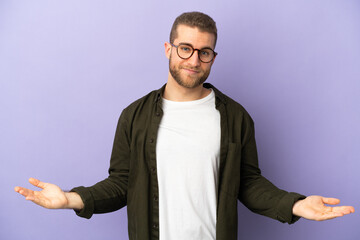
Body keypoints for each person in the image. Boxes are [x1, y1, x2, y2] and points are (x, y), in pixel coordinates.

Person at [14, 11, 354, 240]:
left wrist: (294, 205)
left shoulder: (235, 117)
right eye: (186, 48)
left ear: (213, 58)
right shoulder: (134, 116)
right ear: (168, 48)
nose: (194, 60)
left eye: (205, 52)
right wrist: (71, 199)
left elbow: (248, 184)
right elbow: (122, 184)